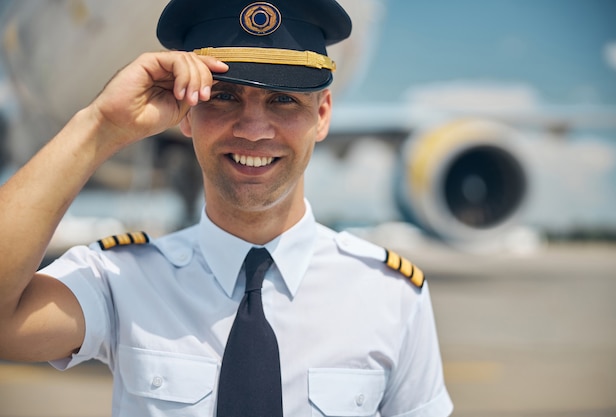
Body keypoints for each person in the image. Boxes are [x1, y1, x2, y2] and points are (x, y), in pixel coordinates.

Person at [0, 0, 453, 416]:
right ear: (186, 113)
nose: (254, 130)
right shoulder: (122, 282)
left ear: (322, 115)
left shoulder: (392, 297)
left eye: (283, 100)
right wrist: (101, 124)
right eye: (223, 97)